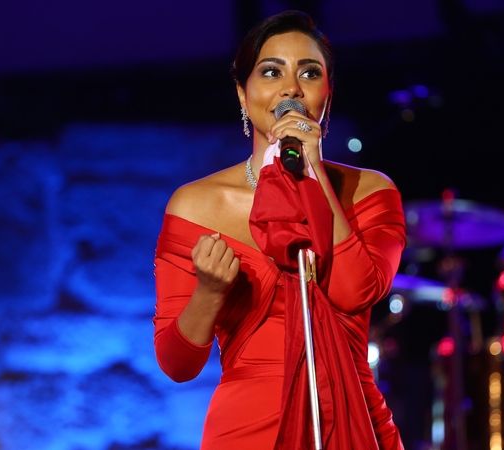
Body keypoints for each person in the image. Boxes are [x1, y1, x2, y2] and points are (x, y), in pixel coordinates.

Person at [152, 10, 406, 450]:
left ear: (327, 95)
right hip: (248, 430)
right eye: (271, 72)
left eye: (309, 73)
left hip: (350, 420)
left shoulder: (371, 192)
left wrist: (314, 176)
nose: (291, 88)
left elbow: (354, 291)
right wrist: (209, 292)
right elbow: (177, 364)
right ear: (242, 93)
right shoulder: (195, 206)